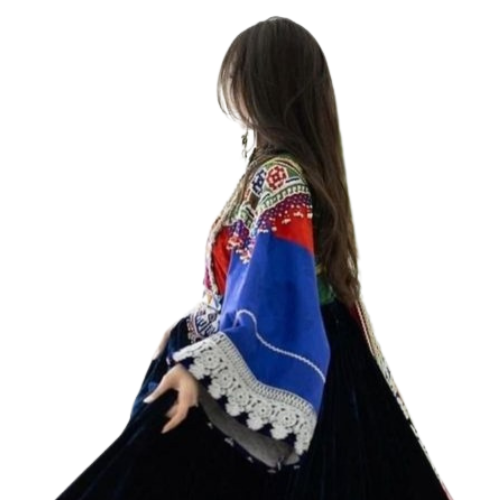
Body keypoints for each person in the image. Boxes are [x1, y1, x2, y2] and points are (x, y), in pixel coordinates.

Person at [55, 16, 454, 500]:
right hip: (321, 360)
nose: (231, 86)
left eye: (240, 75)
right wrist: (190, 326)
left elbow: (274, 301)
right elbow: (250, 290)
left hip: (293, 361)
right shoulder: (279, 171)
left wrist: (199, 371)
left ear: (266, 84)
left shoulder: (280, 176)